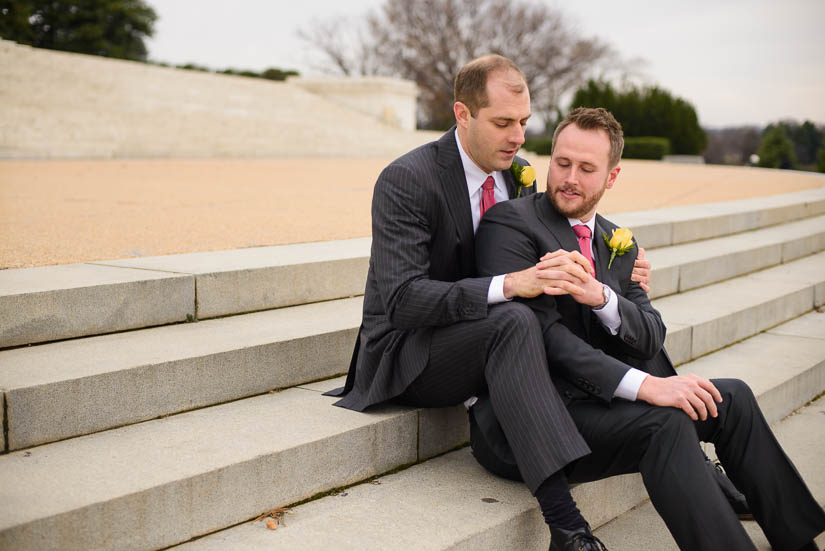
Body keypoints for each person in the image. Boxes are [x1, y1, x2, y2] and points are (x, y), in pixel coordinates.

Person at [326, 55, 650, 549]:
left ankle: (683, 449)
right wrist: (510, 285)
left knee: (611, 317)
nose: (518, 137)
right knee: (518, 320)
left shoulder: (517, 173)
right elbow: (401, 301)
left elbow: (549, 241)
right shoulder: (407, 179)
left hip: (489, 333)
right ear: (462, 114)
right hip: (411, 348)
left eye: (523, 122)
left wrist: (617, 273)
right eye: (503, 123)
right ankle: (567, 526)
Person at [471, 106, 825, 551]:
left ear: (612, 177)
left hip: (599, 405)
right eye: (562, 163)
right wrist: (648, 387)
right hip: (536, 421)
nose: (570, 178)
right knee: (666, 423)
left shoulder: (619, 242)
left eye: (586, 168)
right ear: (550, 156)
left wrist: (601, 296)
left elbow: (650, 334)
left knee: (732, 397)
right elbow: (543, 338)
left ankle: (798, 543)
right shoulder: (511, 224)